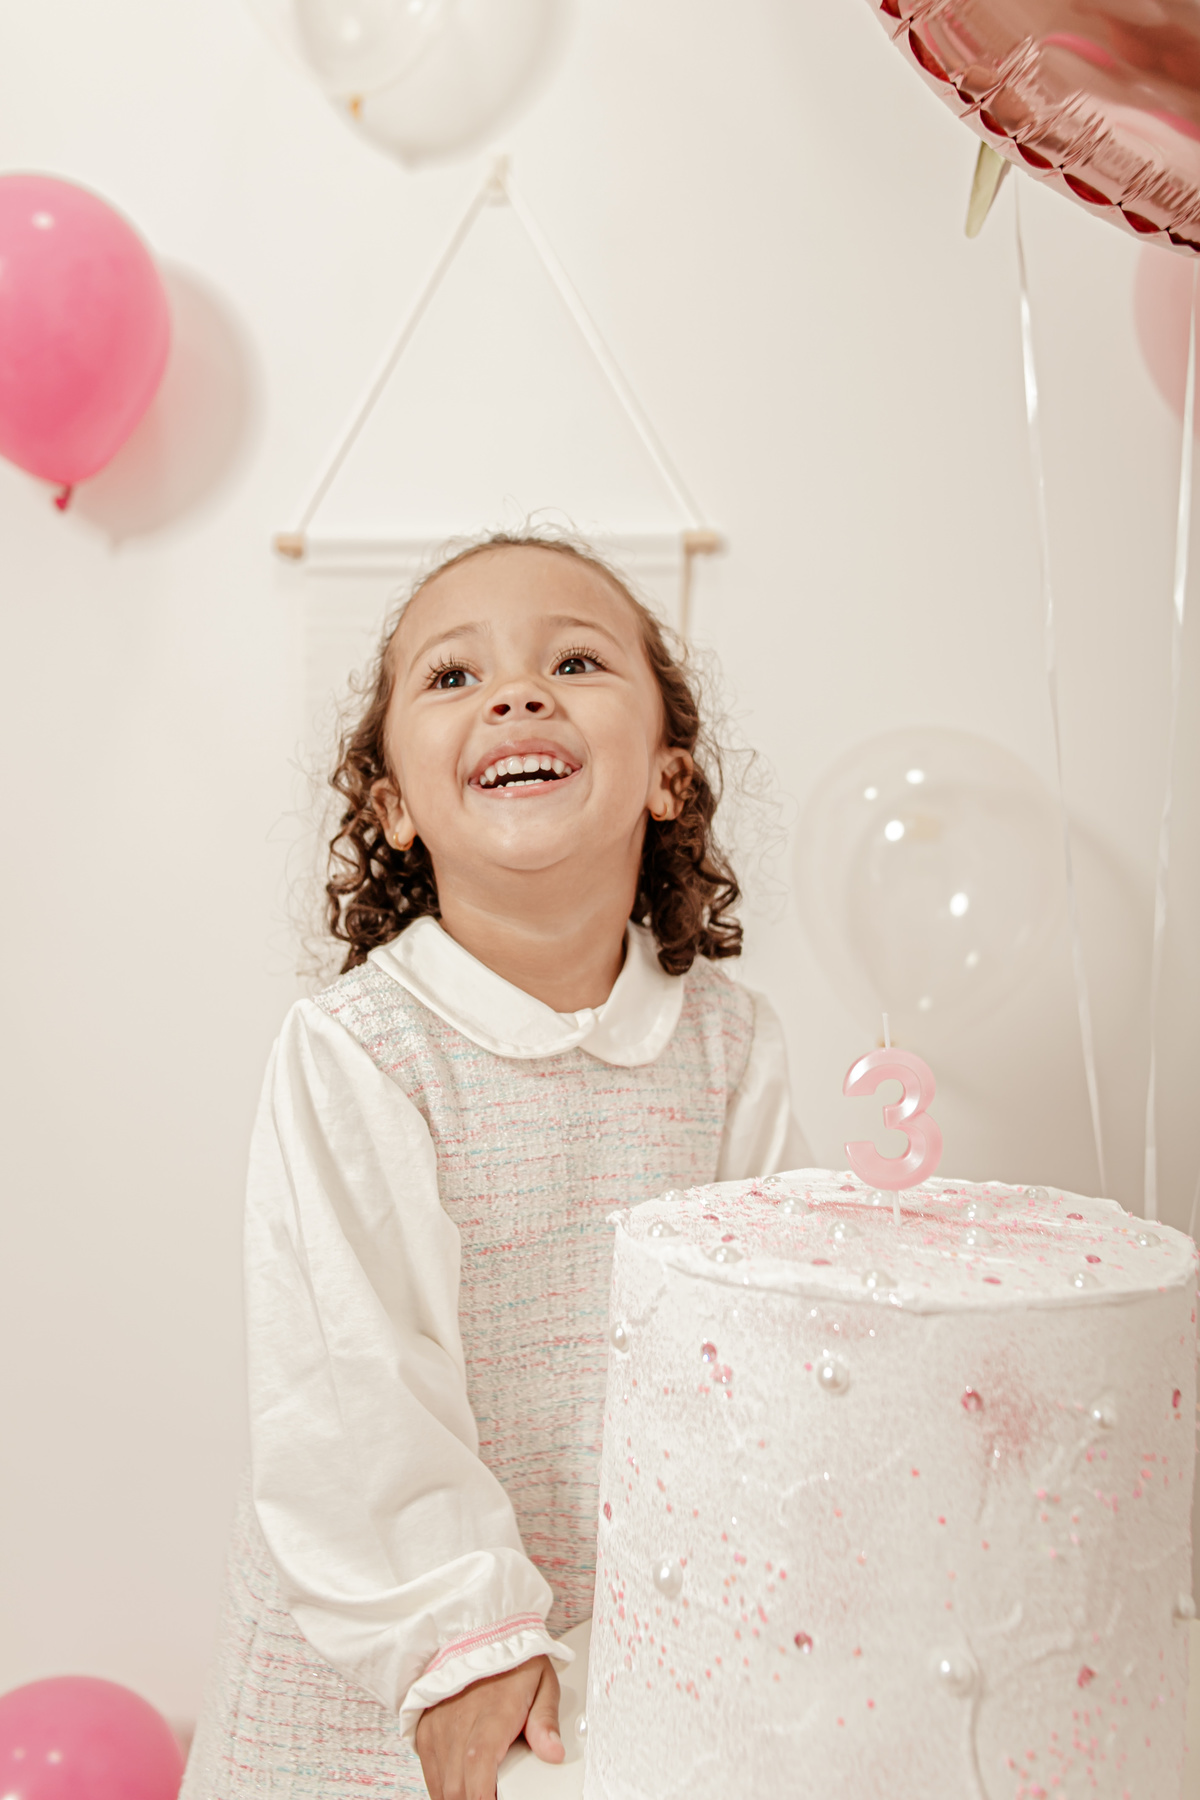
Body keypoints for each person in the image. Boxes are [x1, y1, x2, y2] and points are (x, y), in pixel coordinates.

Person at [181, 533, 811, 1800]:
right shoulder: (362, 1052)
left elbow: (780, 1344)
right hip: (393, 1661)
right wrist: (460, 1637)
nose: (518, 694)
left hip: (640, 1648)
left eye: (574, 661)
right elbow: (348, 1383)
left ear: (669, 777)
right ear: (394, 807)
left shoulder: (731, 1051)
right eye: (453, 678)